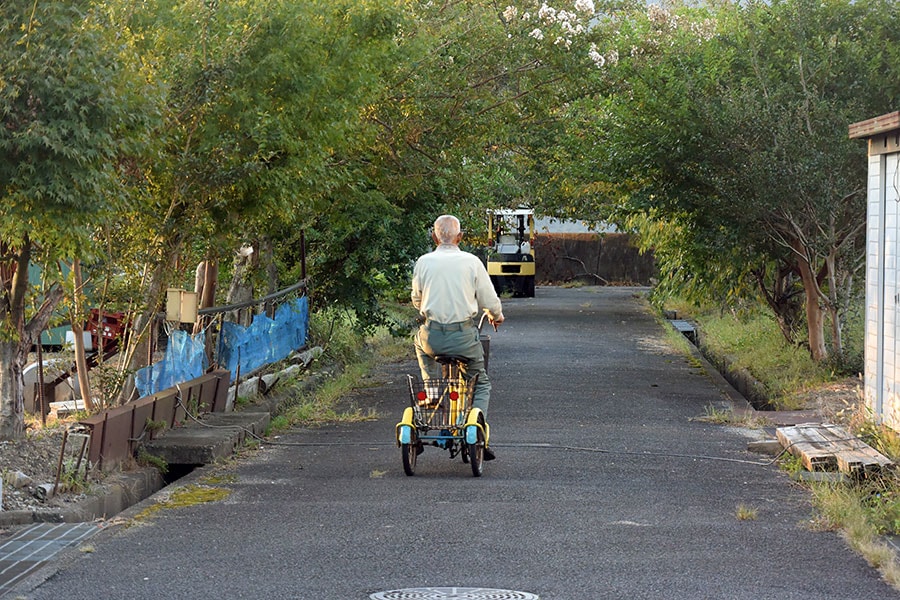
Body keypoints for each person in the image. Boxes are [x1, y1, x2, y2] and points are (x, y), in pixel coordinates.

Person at [411, 214, 504, 460]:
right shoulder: (471, 262)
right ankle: (476, 425)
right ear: (460, 237)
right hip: (463, 336)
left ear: (434, 237)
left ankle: (431, 390)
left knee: (419, 344)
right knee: (480, 381)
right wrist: (496, 314)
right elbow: (488, 299)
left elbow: (417, 299)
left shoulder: (423, 261)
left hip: (432, 337)